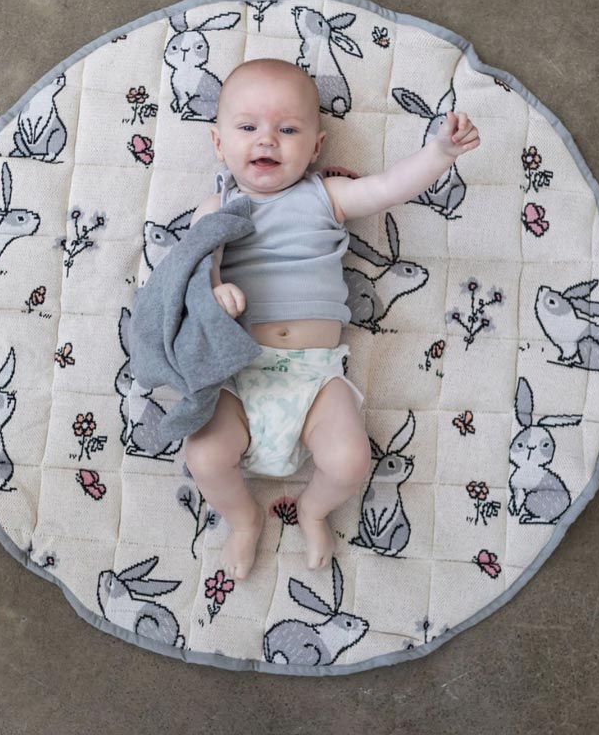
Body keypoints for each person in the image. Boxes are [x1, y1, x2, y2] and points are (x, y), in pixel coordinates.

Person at [184, 58, 480, 578]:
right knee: (204, 457)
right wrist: (215, 290)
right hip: (237, 373)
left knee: (350, 460)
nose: (266, 140)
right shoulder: (217, 209)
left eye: (288, 130)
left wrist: (440, 153)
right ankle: (244, 520)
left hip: (314, 376)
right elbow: (191, 273)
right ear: (218, 143)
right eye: (248, 127)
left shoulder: (324, 196)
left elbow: (387, 188)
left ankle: (314, 510)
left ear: (316, 147)